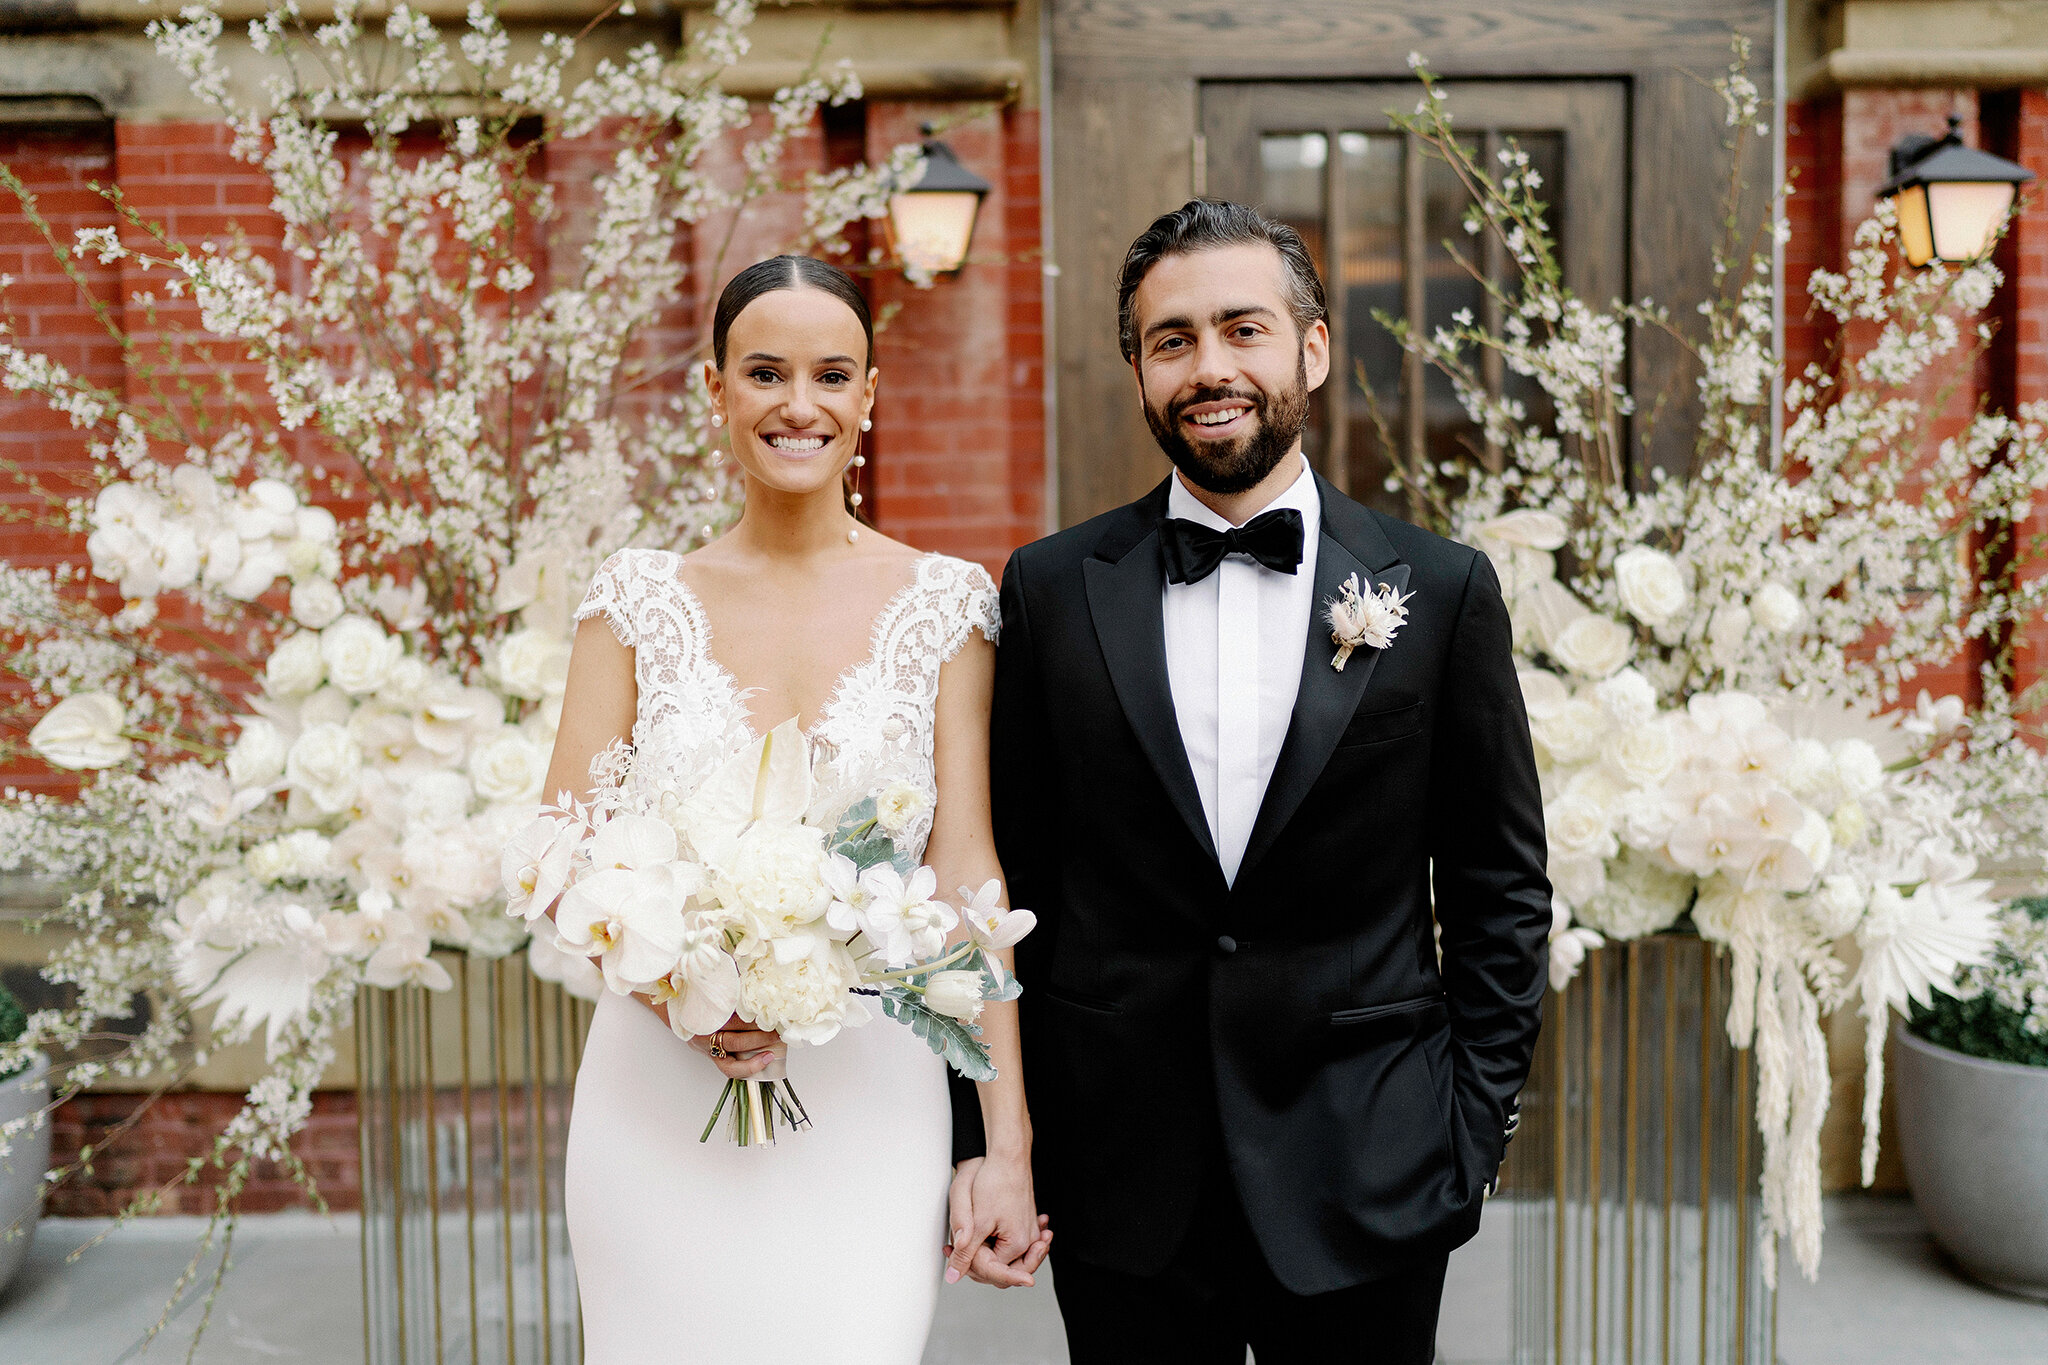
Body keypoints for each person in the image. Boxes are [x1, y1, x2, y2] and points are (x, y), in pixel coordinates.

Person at [958, 200, 1552, 1363]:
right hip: (1119, 1178)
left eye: (1243, 329)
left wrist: (1465, 1135)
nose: (1209, 367)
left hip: (1369, 1173)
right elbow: (1000, 889)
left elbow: (1499, 890)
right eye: (1171, 340)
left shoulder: (1440, 591)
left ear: (1311, 349)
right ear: (1136, 371)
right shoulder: (1046, 589)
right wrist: (989, 1141)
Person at [542, 255, 1049, 1364]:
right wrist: (686, 984)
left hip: (873, 1096)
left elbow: (968, 881)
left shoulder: (946, 606)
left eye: (831, 375)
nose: (798, 404)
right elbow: (562, 862)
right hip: (655, 1091)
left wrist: (1005, 1145)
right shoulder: (632, 602)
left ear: (868, 399)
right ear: (713, 391)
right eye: (764, 372)